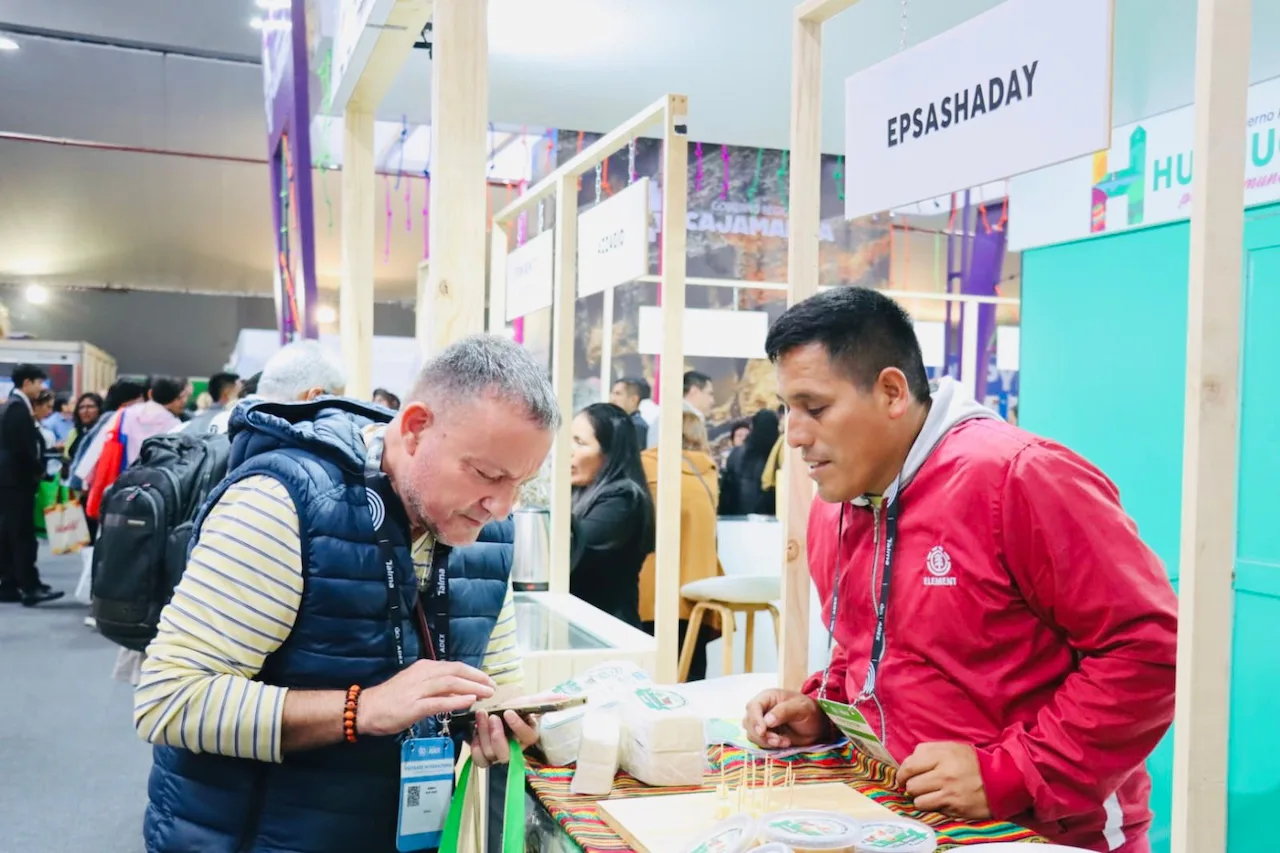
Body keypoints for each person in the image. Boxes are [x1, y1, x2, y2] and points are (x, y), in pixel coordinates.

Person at [743, 287, 1177, 853]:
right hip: (904, 817)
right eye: (788, 409)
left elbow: (1148, 649)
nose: (795, 435)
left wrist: (1013, 771)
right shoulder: (839, 502)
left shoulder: (1017, 478)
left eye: (815, 408)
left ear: (892, 391)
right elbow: (866, 646)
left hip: (1045, 834)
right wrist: (824, 710)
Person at [133, 334, 558, 853]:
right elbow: (169, 699)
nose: (502, 506)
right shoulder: (281, 504)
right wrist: (361, 710)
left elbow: (497, 683)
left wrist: (503, 724)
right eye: (488, 474)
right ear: (415, 428)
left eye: (521, 484)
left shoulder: (484, 531)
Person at [638, 410, 723, 680]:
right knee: (693, 674)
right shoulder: (708, 472)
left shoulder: (646, 464)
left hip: (653, 587)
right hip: (699, 589)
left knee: (650, 677)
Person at [568, 402, 654, 628]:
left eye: (580, 442)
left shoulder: (623, 499)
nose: (568, 450)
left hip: (608, 631)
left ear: (609, 454)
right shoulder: (578, 491)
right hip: (579, 624)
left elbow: (572, 552)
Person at [0, 364, 63, 605]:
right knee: (22, 535)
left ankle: (11, 584)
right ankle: (30, 586)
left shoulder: (12, 406)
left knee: (10, 534)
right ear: (27, 383)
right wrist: (39, 471)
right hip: (17, 482)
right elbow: (22, 449)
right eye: (39, 383)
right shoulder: (17, 408)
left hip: (11, 481)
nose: (40, 388)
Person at [718, 408, 780, 516]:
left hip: (738, 518)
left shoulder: (736, 454)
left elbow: (728, 490)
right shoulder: (778, 456)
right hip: (771, 517)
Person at [645, 370, 715, 449]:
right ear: (694, 391)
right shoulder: (679, 418)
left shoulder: (672, 415)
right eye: (710, 394)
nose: (712, 401)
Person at [609, 377, 651, 448]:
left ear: (634, 399)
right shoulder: (618, 423)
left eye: (618, 394)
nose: (612, 399)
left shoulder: (637, 427)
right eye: (612, 394)